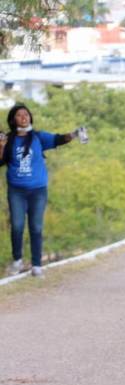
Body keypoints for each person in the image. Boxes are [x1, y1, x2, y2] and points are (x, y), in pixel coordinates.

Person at [0, 103, 82, 277]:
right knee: (17, 226)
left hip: (37, 190)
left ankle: (37, 265)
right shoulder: (8, 140)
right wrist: (1, 145)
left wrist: (75, 134)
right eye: (19, 115)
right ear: (13, 120)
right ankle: (17, 260)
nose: (24, 117)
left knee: (36, 227)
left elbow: (59, 139)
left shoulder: (38, 137)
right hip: (17, 191)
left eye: (26, 114)